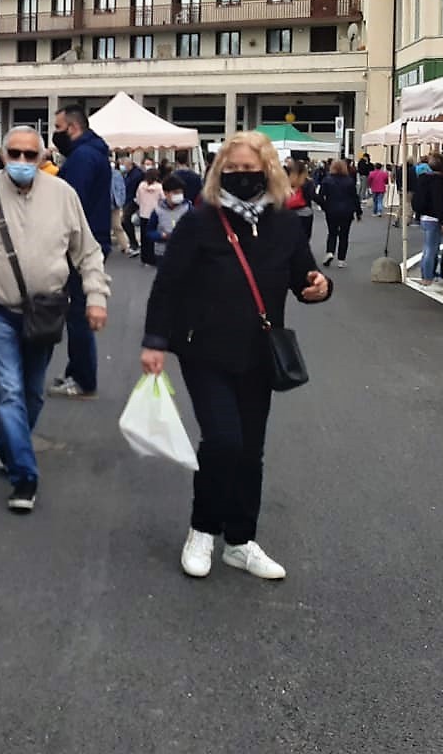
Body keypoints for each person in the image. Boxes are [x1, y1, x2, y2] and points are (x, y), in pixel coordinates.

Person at [140, 130, 332, 581]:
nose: (242, 176)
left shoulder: (286, 222)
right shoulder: (201, 221)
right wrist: (155, 341)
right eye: (234, 169)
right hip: (203, 349)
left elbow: (303, 276)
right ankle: (203, 529)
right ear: (219, 171)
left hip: (258, 353)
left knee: (250, 451)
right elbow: (168, 284)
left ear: (269, 170)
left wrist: (319, 286)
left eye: (251, 169)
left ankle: (241, 540)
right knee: (223, 441)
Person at [0, 127, 108, 513]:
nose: (21, 162)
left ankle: (8, 449)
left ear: (42, 158)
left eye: (29, 155)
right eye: (14, 154)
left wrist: (96, 297)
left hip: (46, 309)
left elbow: (87, 251)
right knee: (7, 390)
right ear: (3, 156)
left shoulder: (63, 195)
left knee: (33, 392)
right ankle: (25, 476)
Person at [50, 105, 111, 400]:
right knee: (77, 309)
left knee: (77, 312)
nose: (55, 134)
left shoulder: (82, 158)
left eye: (58, 128)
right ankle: (78, 371)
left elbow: (68, 203)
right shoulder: (93, 153)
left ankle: (83, 378)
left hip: (81, 242)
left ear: (72, 128)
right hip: (93, 236)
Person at [316, 158, 363, 268]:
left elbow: (320, 196)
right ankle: (341, 259)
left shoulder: (327, 180)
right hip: (347, 210)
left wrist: (324, 206)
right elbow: (354, 197)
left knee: (332, 232)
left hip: (331, 210)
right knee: (344, 235)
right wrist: (358, 212)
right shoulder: (349, 181)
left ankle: (330, 252)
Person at [146, 173, 193, 262]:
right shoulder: (157, 210)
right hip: (163, 253)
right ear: (166, 193)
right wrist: (161, 235)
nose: (179, 195)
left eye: (181, 192)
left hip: (185, 252)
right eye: (175, 192)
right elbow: (149, 231)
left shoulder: (188, 208)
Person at [135, 168, 165, 266]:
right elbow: (163, 199)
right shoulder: (160, 187)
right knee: (153, 237)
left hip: (143, 213)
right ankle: (153, 258)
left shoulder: (141, 186)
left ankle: (145, 258)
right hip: (154, 214)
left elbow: (138, 199)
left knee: (144, 237)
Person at [282, 162, 315, 242]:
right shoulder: (307, 182)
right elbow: (312, 196)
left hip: (288, 212)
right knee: (304, 237)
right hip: (305, 212)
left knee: (289, 236)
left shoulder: (286, 182)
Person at [122, 156, 146, 256]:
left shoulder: (137, 174)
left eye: (124, 164)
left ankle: (134, 243)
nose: (123, 167)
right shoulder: (129, 174)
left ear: (130, 164)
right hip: (130, 199)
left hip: (134, 200)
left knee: (125, 220)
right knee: (126, 220)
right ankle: (134, 242)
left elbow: (133, 187)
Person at [110, 161, 132, 255]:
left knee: (117, 226)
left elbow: (122, 187)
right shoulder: (99, 171)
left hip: (114, 203)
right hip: (102, 203)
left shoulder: (116, 174)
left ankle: (125, 246)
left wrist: (121, 201)